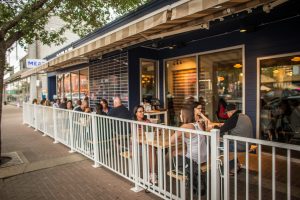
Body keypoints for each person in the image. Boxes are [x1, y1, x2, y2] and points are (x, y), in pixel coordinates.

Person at [170, 102, 207, 195]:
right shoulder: (198, 124)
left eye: (181, 113)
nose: (180, 115)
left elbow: (171, 140)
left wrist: (178, 133)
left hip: (194, 160)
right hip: (204, 158)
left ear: (185, 114)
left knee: (174, 152)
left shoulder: (185, 126)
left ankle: (183, 174)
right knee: (182, 150)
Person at [133, 105, 157, 183]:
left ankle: (152, 174)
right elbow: (136, 134)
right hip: (137, 144)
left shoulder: (147, 121)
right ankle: (152, 174)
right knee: (151, 149)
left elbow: (153, 130)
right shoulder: (133, 122)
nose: (142, 113)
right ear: (136, 113)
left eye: (143, 111)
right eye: (140, 111)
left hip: (147, 142)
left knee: (152, 149)